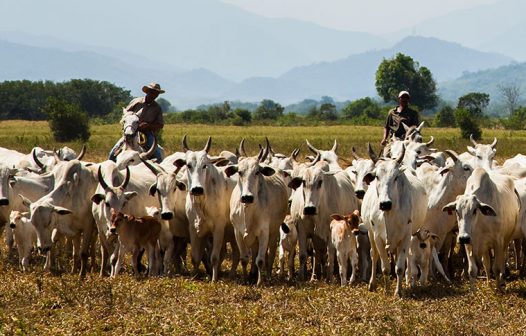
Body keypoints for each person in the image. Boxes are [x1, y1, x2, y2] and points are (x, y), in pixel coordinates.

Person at [109, 82, 165, 162]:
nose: (154, 95)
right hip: (131, 130)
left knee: (157, 155)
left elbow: (160, 125)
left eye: (156, 93)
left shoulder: (157, 108)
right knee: (112, 154)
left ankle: (157, 171)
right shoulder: (136, 102)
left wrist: (148, 125)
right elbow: (126, 114)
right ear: (147, 92)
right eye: (152, 92)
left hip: (147, 133)